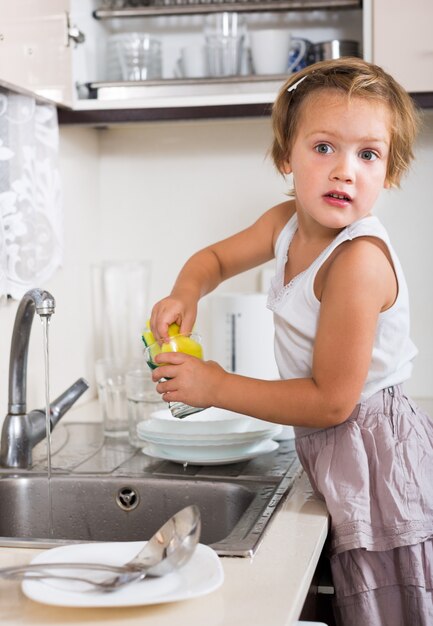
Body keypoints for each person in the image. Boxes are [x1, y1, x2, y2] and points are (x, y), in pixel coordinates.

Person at [148, 57, 433, 625]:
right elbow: (215, 259)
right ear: (287, 157)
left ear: (389, 174)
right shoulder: (284, 224)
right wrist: (187, 291)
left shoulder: (357, 262)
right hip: (340, 444)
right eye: (324, 147)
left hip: (375, 453)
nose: (344, 171)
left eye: (367, 155)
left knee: (387, 603)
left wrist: (216, 386)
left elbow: (332, 401)